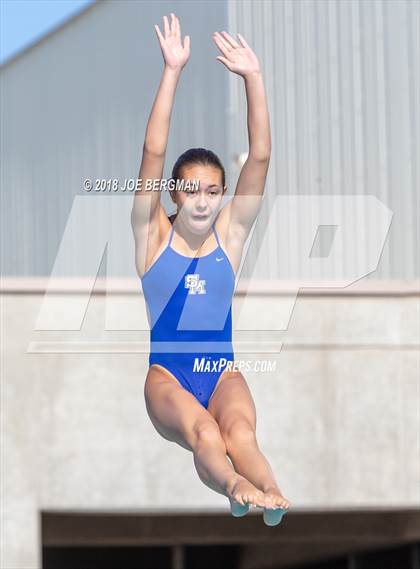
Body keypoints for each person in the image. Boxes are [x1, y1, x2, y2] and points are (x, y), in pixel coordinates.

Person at [131, 13, 291, 526]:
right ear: (175, 193)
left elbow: (260, 157)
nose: (202, 201)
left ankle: (270, 491)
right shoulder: (153, 237)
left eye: (213, 190)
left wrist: (254, 78)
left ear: (223, 195)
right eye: (191, 190)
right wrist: (173, 70)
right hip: (168, 380)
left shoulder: (230, 237)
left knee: (241, 435)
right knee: (207, 435)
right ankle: (236, 488)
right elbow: (153, 150)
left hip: (218, 370)